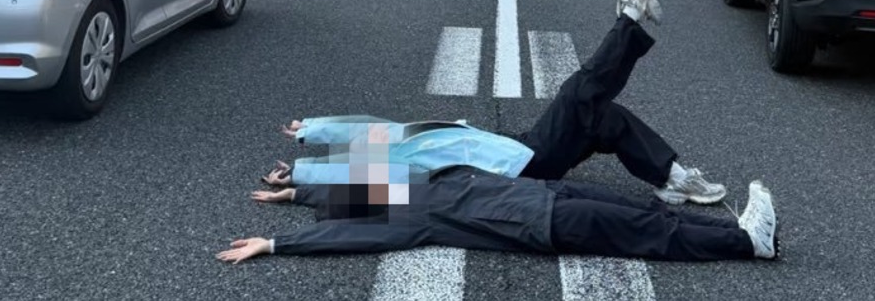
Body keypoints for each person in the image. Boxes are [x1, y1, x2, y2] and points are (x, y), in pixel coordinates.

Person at [256, 0, 727, 208]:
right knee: (579, 93)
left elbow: (364, 129)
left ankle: (672, 179)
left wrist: (311, 129)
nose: (370, 145)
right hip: (519, 170)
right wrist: (299, 177)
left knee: (603, 117)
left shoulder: (399, 137)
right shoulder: (400, 169)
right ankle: (629, 17)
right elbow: (357, 183)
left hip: (516, 148)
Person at [216, 168, 778, 264]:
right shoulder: (408, 221)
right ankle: (747, 244)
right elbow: (346, 236)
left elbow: (349, 193)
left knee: (642, 209)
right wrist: (277, 244)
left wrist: (297, 192)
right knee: (648, 233)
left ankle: (736, 229)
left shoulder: (406, 189)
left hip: (542, 193)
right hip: (541, 224)